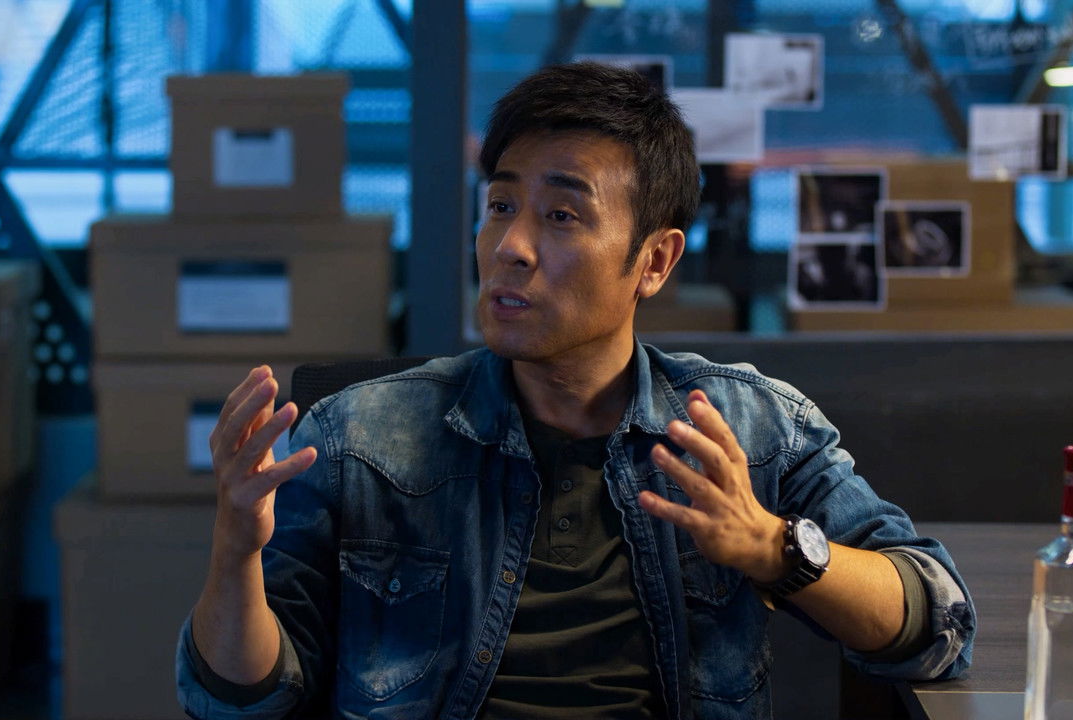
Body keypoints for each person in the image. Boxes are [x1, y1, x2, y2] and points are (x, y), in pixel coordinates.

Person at [176, 63, 975, 719]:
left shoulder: (746, 427)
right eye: (500, 206)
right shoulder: (359, 438)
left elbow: (938, 619)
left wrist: (772, 548)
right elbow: (239, 701)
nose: (511, 247)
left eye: (561, 215)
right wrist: (234, 552)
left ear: (654, 262)